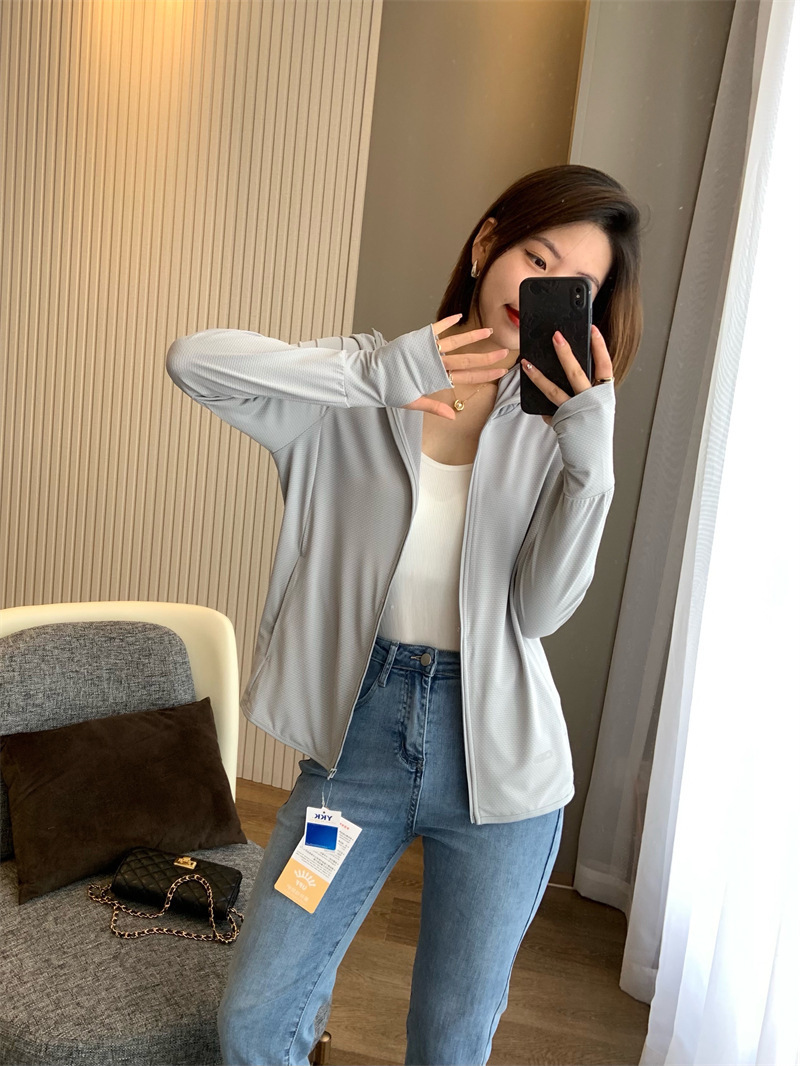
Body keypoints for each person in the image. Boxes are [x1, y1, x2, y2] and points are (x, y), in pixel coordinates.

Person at [166, 163, 643, 1066]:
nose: (542, 286)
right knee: (255, 1023)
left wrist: (593, 467)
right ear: (487, 245)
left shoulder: (555, 431)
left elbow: (539, 610)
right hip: (355, 753)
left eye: (575, 283)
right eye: (536, 257)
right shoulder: (355, 393)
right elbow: (194, 362)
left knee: (448, 1042)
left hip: (500, 768)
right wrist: (376, 374)